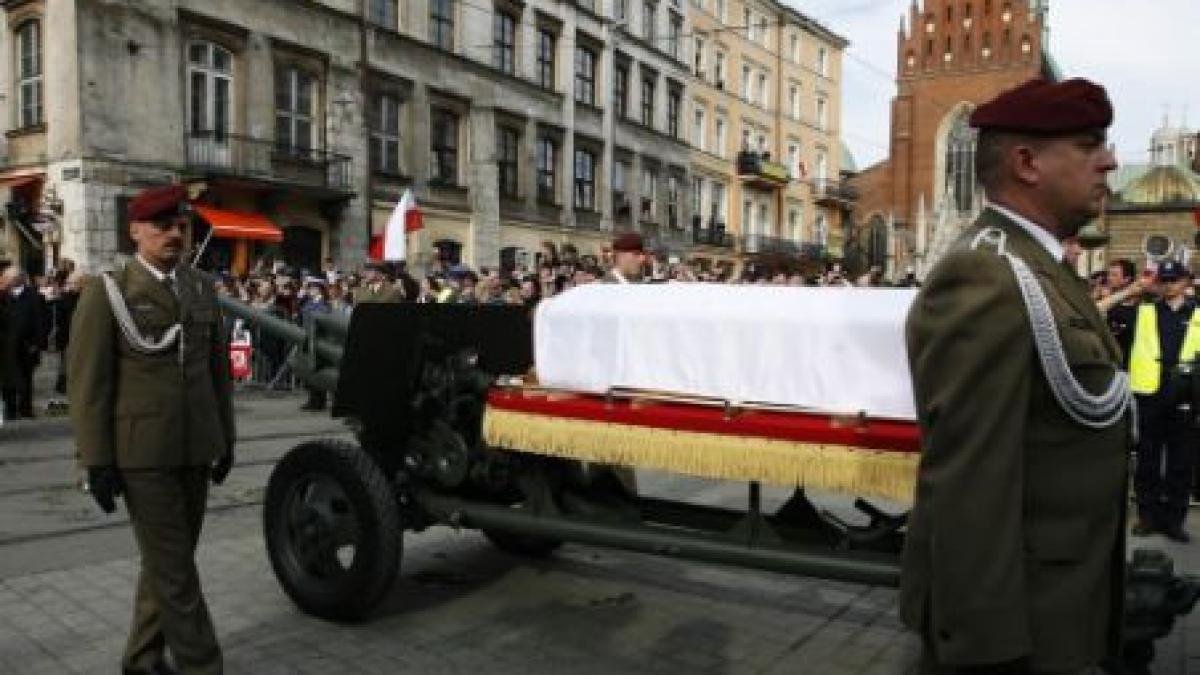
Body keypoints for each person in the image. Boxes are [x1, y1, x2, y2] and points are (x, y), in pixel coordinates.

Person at [903, 79, 1129, 673]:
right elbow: (970, 486)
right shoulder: (986, 276)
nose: (1109, 161)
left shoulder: (1036, 266)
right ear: (1027, 163)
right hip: (1017, 629)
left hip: (1059, 602)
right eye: (1088, 144)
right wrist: (988, 653)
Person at [68, 184, 235, 675]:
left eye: (181, 225)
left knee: (167, 562)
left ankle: (141, 659)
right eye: (161, 225)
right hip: (141, 452)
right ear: (135, 230)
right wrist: (95, 460)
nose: (174, 234)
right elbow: (88, 384)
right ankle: (203, 665)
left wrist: (224, 438)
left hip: (196, 445)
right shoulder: (110, 291)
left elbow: (217, 373)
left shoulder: (201, 286)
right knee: (176, 569)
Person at [1127, 259, 1198, 542]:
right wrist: (1137, 287)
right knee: (1148, 460)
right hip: (1151, 395)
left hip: (1186, 396)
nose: (1168, 285)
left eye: (1173, 280)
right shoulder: (1144, 311)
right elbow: (1102, 311)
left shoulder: (1198, 313)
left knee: (1182, 463)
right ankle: (1148, 517)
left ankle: (1174, 520)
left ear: (1185, 282)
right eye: (1164, 280)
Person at [2, 266, 46, 419]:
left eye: (6, 277)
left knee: (26, 378)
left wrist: (37, 344)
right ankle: (10, 409)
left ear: (17, 279)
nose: (4, 280)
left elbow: (41, 322)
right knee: (6, 379)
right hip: (6, 346)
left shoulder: (33, 296)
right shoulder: (3, 296)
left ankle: (25, 408)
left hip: (26, 345)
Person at [1099, 257, 1142, 364]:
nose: (1109, 278)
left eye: (1114, 275)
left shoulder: (1142, 306)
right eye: (1109, 274)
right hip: (1110, 363)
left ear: (1127, 278)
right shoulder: (1107, 304)